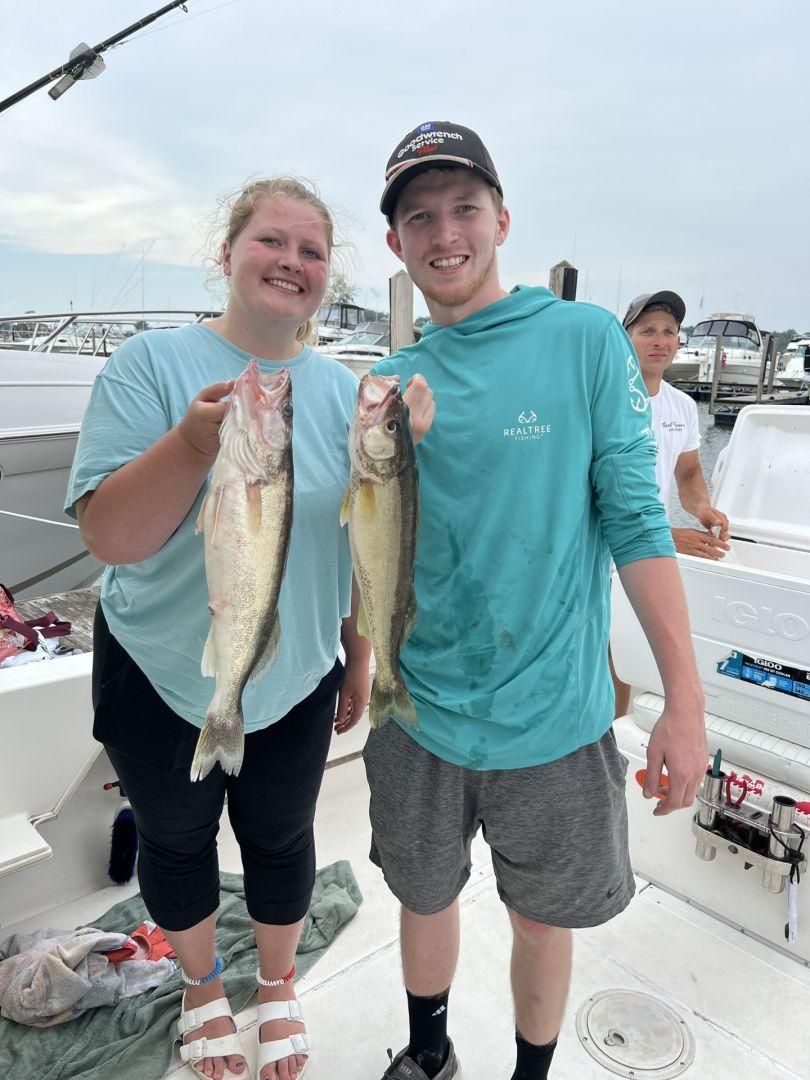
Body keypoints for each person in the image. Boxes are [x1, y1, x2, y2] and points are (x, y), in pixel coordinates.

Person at [364, 122, 708, 1080]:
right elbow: (364, 544)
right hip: (419, 709)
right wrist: (396, 447)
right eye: (419, 216)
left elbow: (638, 520)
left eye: (464, 208)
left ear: (501, 218)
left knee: (542, 916)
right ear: (395, 243)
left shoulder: (586, 339)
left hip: (556, 717)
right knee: (422, 896)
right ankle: (428, 1051)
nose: (445, 233)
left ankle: (530, 1072)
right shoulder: (388, 384)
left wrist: (684, 698)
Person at [65, 177, 371, 1080]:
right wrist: (195, 445)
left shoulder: (345, 390)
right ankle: (203, 988)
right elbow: (109, 537)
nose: (292, 263)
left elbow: (354, 540)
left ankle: (275, 985)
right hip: (159, 669)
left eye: (311, 251)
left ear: (325, 277)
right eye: (271, 242)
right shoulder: (149, 367)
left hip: (297, 674)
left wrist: (356, 655)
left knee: (282, 839)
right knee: (174, 838)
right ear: (227, 254)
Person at [611, 291, 731, 717]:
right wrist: (667, 536)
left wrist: (704, 510)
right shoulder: (604, 399)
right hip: (605, 550)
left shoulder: (682, 406)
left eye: (669, 331)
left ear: (679, 341)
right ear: (625, 337)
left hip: (648, 550)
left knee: (626, 647)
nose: (659, 340)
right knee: (607, 649)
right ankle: (602, 738)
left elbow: (688, 475)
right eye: (647, 331)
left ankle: (617, 728)